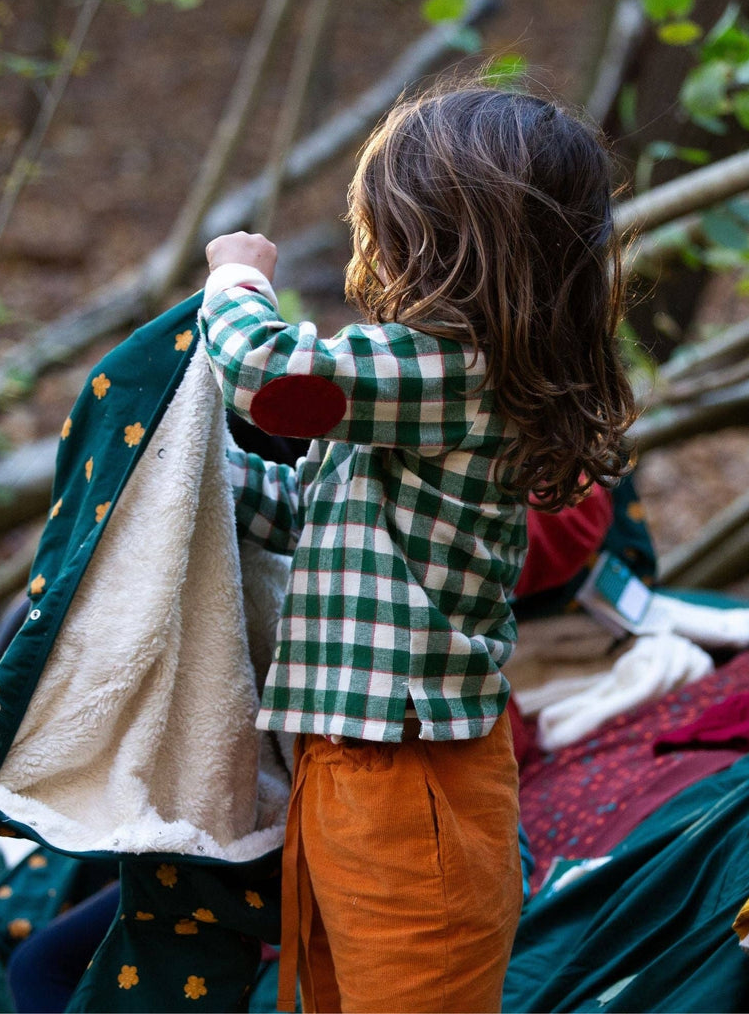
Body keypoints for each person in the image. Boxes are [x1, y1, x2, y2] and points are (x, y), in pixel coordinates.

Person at [196, 80, 635, 1013]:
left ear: (439, 237)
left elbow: (271, 378)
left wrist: (236, 277)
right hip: (349, 761)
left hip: (409, 774)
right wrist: (189, 479)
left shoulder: (450, 368)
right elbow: (303, 518)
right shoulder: (422, 389)